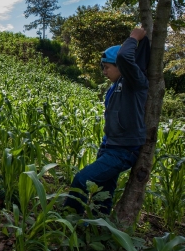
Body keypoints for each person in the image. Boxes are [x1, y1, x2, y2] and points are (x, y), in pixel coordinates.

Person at [64, 28, 150, 215]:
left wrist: (134, 37)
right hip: (109, 147)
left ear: (120, 65)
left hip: (123, 151)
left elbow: (126, 57)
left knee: (81, 180)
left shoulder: (134, 82)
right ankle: (97, 232)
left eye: (107, 67)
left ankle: (67, 222)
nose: (104, 72)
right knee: (102, 197)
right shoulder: (115, 87)